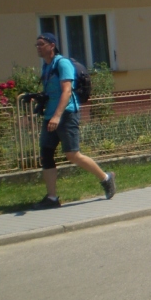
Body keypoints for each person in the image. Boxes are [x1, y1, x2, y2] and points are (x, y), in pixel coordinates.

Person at [32, 33, 116, 209]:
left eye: (41, 44)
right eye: (37, 44)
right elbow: (52, 91)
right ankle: (52, 198)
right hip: (51, 115)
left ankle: (106, 178)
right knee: (46, 155)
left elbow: (67, 92)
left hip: (67, 114)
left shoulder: (62, 64)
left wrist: (56, 115)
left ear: (51, 45)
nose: (38, 47)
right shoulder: (46, 66)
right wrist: (39, 99)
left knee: (72, 155)